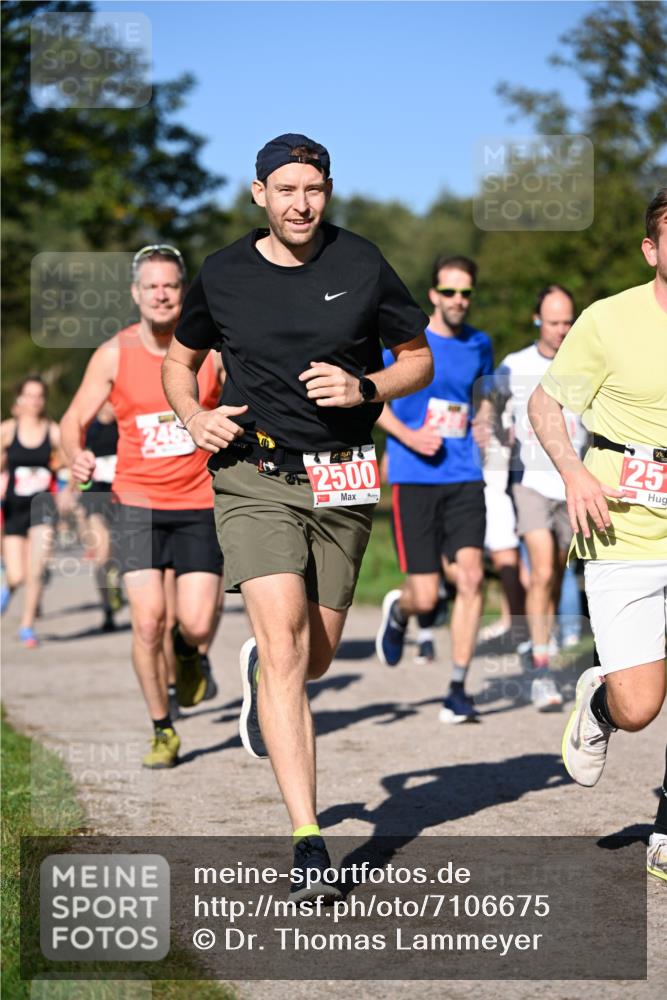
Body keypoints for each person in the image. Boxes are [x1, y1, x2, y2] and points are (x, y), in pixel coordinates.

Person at [162, 133, 432, 898]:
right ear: (260, 196)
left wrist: (367, 389)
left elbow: (418, 357)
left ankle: (267, 674)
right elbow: (178, 363)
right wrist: (192, 417)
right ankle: (308, 839)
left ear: (328, 191)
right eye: (284, 190)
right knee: (283, 650)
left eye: (311, 189)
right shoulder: (222, 272)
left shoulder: (360, 262)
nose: (299, 203)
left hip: (343, 477)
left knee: (313, 658)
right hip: (254, 472)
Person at [528, 187, 667, 882]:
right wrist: (572, 474)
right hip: (622, 525)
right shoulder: (608, 320)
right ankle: (599, 701)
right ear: (652, 248)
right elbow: (545, 401)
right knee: (641, 705)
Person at [60, 244, 225, 769]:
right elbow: (72, 420)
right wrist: (75, 455)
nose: (160, 293)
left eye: (170, 285)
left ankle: (190, 652)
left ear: (183, 292)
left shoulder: (212, 353)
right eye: (151, 285)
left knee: (196, 624)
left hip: (201, 498)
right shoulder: (113, 353)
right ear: (136, 294)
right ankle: (162, 728)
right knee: (148, 621)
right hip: (137, 501)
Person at [375, 255, 493, 723]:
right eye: (450, 292)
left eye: (466, 293)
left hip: (463, 473)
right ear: (433, 295)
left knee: (470, 577)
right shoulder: (405, 343)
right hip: (414, 476)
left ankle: (458, 688)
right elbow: (370, 399)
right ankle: (403, 611)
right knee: (426, 596)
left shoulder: (480, 343)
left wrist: (484, 420)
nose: (458, 301)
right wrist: (407, 437)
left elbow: (478, 396)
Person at [494, 286, 588, 710]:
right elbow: (489, 414)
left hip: (571, 485)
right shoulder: (515, 366)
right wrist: (496, 437)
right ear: (537, 320)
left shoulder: (587, 363)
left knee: (552, 580)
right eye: (554, 322)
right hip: (530, 482)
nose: (562, 331)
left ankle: (539, 644)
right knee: (544, 565)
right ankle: (541, 671)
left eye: (568, 321)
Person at [1, 375, 60, 646]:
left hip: (43, 507)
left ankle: (27, 626)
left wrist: (69, 489)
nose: (35, 401)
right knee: (17, 574)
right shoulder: (7, 431)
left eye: (39, 396)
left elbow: (69, 460)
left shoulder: (53, 431)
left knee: (36, 569)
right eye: (30, 395)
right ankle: (6, 590)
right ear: (19, 399)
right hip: (13, 507)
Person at [75, 401, 122, 631]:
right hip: (95, 499)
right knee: (102, 555)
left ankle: (117, 584)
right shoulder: (89, 429)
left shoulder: (125, 425)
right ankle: (107, 609)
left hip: (124, 496)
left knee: (123, 554)